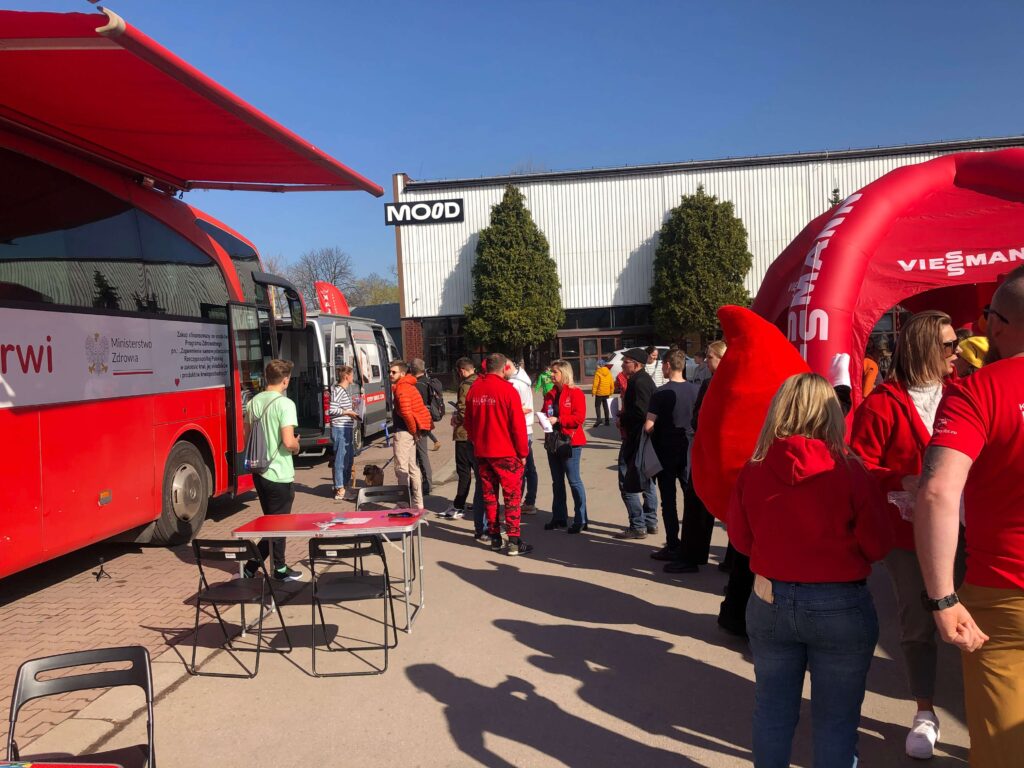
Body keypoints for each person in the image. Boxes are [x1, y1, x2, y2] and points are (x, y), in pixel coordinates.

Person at [730, 373, 892, 768]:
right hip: (840, 602)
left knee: (772, 710)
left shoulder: (754, 469)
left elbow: (741, 540)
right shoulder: (849, 470)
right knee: (836, 721)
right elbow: (878, 544)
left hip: (770, 597)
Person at [915, 267, 1024, 768]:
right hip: (1002, 595)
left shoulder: (977, 391)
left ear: (998, 323)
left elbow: (937, 490)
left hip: (1003, 594)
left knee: (1004, 750)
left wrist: (942, 597)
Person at [849, 310, 964, 760]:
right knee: (919, 623)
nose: (956, 351)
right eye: (949, 344)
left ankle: (988, 708)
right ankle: (925, 710)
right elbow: (859, 464)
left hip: (970, 528)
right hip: (909, 533)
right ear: (923, 348)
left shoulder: (964, 393)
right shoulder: (882, 404)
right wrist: (900, 480)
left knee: (982, 619)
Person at [463, 352, 532, 556]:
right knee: (512, 497)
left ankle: (495, 537)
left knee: (490, 496)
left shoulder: (475, 389)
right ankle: (514, 540)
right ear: (504, 368)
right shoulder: (507, 390)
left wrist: (477, 440)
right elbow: (518, 426)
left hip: (483, 452)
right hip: (506, 453)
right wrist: (523, 452)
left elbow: (468, 422)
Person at [667, 340, 726, 573]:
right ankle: (732, 562)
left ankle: (691, 557)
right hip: (723, 454)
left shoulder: (713, 384)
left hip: (709, 453)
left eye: (710, 357)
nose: (706, 361)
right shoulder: (728, 382)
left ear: (721, 359)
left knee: (697, 503)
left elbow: (698, 417)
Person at [242, 359, 304, 581]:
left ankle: (254, 567)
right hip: (279, 471)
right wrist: (297, 446)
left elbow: (246, 437)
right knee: (279, 524)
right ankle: (276, 569)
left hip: (259, 470)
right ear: (285, 380)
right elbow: (288, 442)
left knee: (272, 523)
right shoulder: (285, 404)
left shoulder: (253, 403)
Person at [645, 349, 699, 560]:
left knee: (668, 500)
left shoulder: (660, 393)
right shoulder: (695, 390)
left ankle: (673, 544)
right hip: (688, 450)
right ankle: (691, 543)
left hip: (666, 451)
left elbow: (649, 425)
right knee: (690, 498)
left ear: (667, 365)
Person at [615, 348, 658, 539]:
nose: (623, 364)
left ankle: (638, 525)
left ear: (637, 364)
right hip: (641, 438)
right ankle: (650, 522)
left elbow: (642, 412)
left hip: (636, 439)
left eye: (626, 361)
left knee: (628, 481)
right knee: (646, 479)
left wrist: (623, 418)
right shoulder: (643, 379)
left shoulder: (639, 382)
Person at [541, 359, 589, 533]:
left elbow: (579, 418)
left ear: (564, 373)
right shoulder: (550, 394)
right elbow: (545, 412)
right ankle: (559, 517)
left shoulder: (575, 393)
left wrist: (559, 419)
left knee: (574, 481)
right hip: (553, 442)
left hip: (570, 442)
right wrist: (543, 419)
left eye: (555, 372)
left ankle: (581, 519)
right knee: (557, 482)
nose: (551, 375)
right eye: (551, 371)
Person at [442, 357, 483, 526]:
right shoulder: (481, 381)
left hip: (464, 434)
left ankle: (459, 505)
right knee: (479, 472)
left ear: (461, 371)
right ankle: (480, 502)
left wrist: (456, 418)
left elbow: (464, 410)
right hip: (479, 434)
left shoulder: (466, 385)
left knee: (464, 470)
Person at [388, 360, 432, 509]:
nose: (390, 374)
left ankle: (403, 503)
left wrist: (413, 430)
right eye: (389, 372)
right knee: (413, 467)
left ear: (402, 373)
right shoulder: (409, 386)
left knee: (401, 469)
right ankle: (418, 503)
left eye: (393, 372)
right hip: (408, 432)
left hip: (403, 432)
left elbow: (406, 412)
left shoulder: (402, 388)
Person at [507, 360, 539, 515]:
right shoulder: (523, 381)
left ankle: (516, 505)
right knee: (528, 468)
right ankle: (529, 502)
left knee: (520, 469)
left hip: (520, 430)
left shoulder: (514, 384)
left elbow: (512, 408)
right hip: (526, 429)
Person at [328, 365, 361, 501]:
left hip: (346, 427)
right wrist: (348, 412)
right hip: (340, 428)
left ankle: (345, 486)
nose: (353, 378)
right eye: (352, 375)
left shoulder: (344, 391)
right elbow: (332, 410)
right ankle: (340, 488)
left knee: (348, 458)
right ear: (346, 376)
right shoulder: (338, 390)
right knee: (341, 459)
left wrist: (352, 412)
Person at [409, 358, 435, 494]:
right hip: (426, 421)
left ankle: (426, 485)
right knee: (421, 454)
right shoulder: (427, 382)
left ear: (412, 369)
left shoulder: (416, 385)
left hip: (419, 423)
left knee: (420, 455)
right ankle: (424, 484)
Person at [591, 359, 613, 427]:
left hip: (599, 393)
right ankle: (607, 421)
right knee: (605, 406)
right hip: (607, 392)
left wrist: (593, 392)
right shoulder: (608, 372)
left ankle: (599, 420)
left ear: (600, 365)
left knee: (597, 406)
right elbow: (611, 382)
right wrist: (611, 391)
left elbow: (595, 383)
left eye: (597, 365)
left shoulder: (598, 372)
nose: (596, 366)